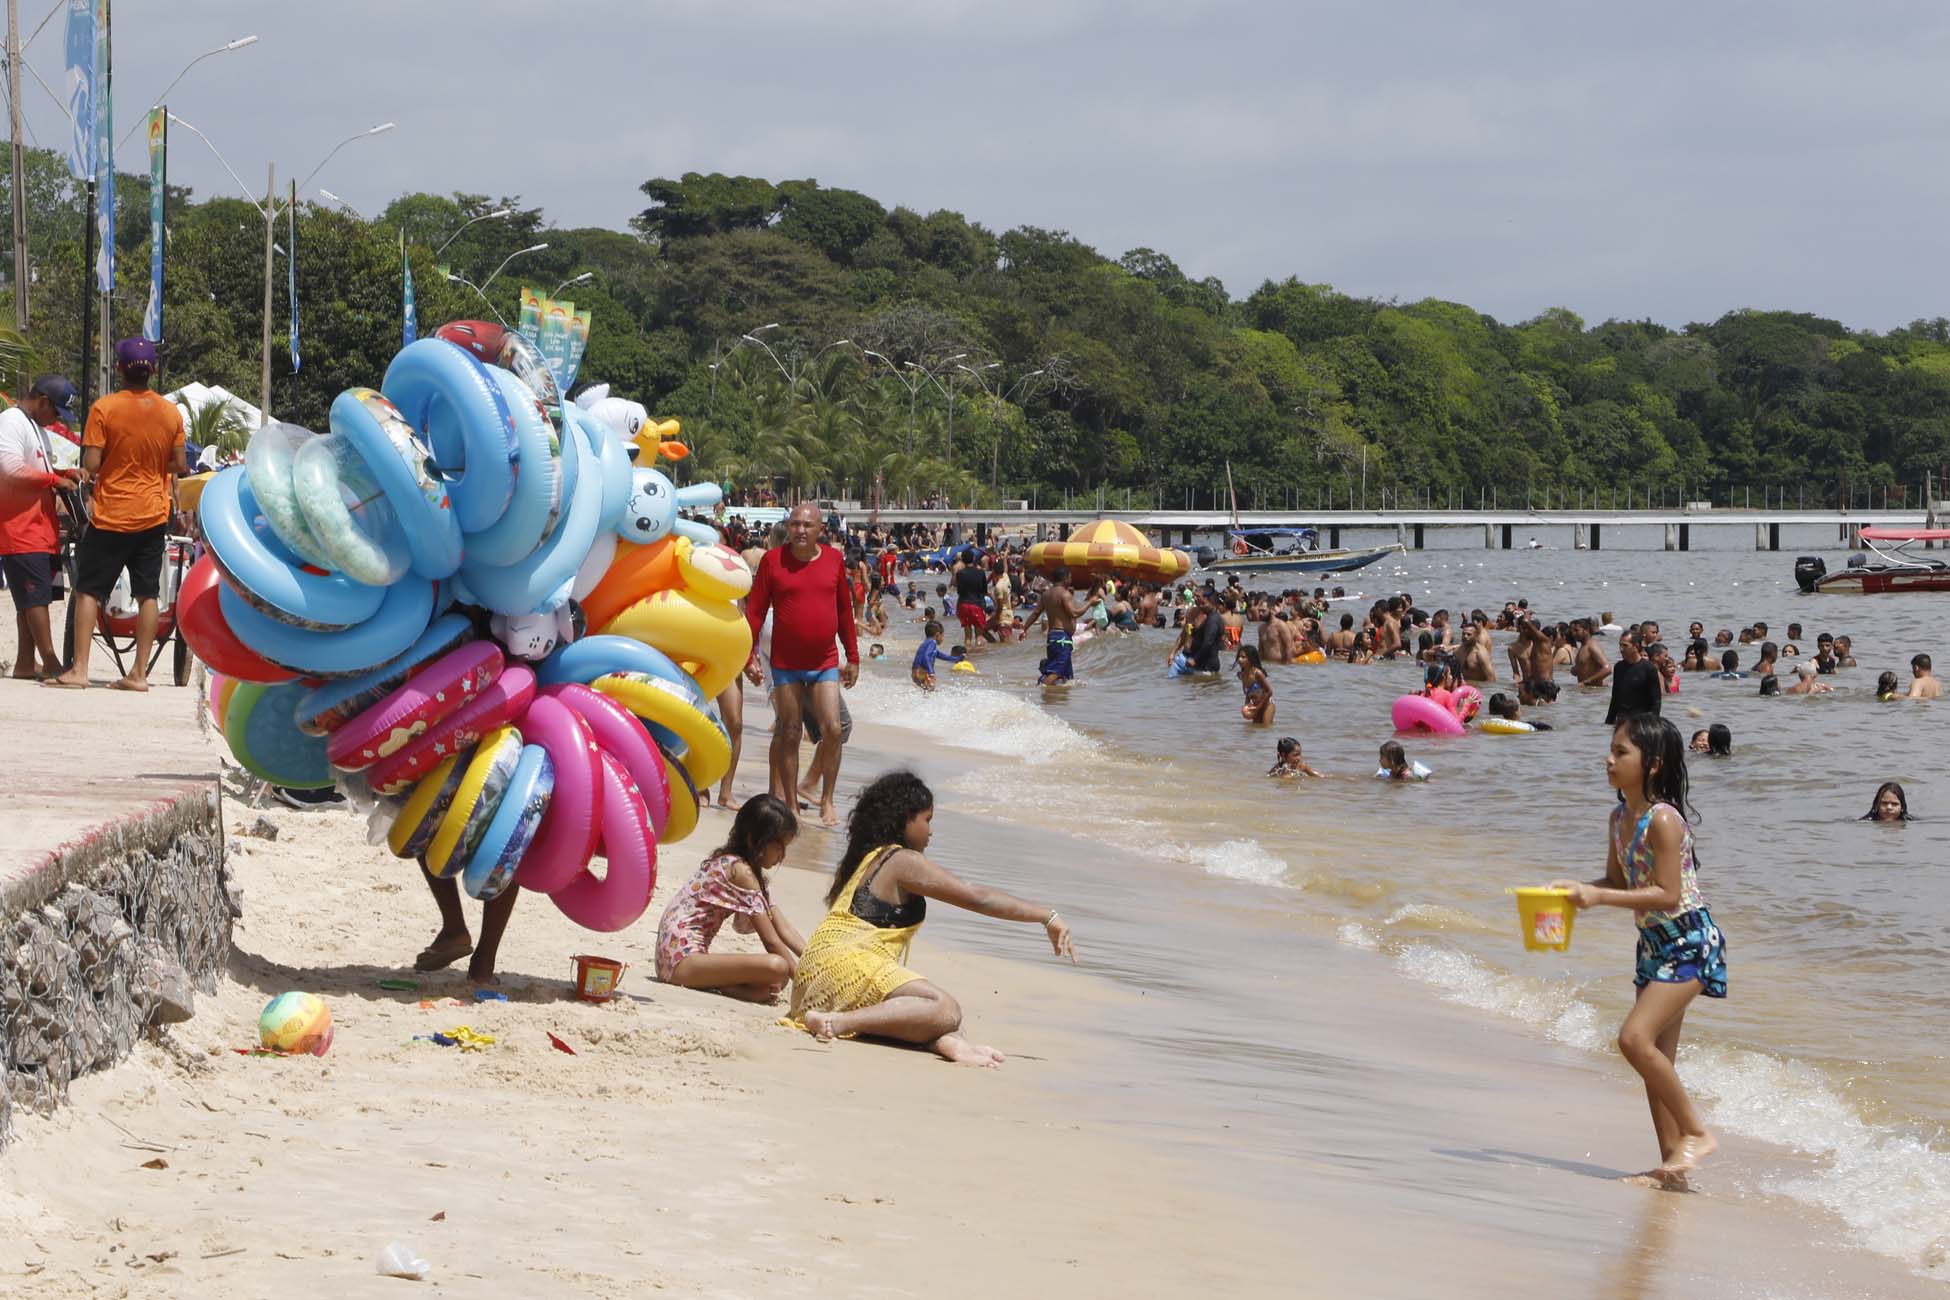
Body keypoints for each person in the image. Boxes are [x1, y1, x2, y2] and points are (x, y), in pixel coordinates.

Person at [788, 771, 1076, 1067]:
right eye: (927, 819)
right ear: (905, 818)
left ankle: (949, 1042)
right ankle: (836, 1022)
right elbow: (976, 897)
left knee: (925, 1016)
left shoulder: (867, 857)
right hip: (845, 965)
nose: (931, 832)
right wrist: (1046, 916)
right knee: (945, 1008)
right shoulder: (901, 860)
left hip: (813, 976)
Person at [1550, 714, 1725, 1188]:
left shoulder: (1664, 820)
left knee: (1633, 1040)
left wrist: (1601, 898)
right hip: (1653, 945)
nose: (1609, 758)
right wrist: (1574, 891)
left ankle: (1697, 1132)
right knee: (1655, 1063)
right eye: (1611, 749)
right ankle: (1673, 1170)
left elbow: (1668, 894)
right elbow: (1619, 882)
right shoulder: (1618, 818)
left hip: (1689, 939)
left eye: (1621, 751)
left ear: (1652, 765)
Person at [48, 340, 187, 691]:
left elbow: (92, 465)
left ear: (121, 369)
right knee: (148, 595)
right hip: (153, 515)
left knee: (89, 591)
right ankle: (139, 675)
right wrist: (152, 464)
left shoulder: (104, 409)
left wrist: (115, 460)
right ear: (152, 370)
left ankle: (79, 670)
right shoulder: (171, 413)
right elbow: (180, 464)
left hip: (111, 515)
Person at [744, 502, 859, 828]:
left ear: (820, 529)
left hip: (824, 661)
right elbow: (755, 611)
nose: (799, 530)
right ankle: (791, 804)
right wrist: (747, 654)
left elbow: (844, 612)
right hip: (785, 663)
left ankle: (826, 800)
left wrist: (853, 656)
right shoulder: (773, 561)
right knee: (790, 731)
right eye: (794, 524)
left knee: (834, 729)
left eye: (807, 525)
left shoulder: (834, 560)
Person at [655, 795, 807, 1002]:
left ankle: (724, 986)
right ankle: (724, 987)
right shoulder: (740, 872)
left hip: (673, 958)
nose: (783, 856)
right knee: (778, 967)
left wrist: (815, 965)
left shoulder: (740, 867)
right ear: (754, 840)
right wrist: (804, 983)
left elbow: (784, 929)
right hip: (681, 961)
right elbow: (771, 941)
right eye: (779, 847)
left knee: (777, 979)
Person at [0, 376, 82, 680]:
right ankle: (49, 660)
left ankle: (25, 661)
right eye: (56, 413)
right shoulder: (11, 422)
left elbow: (38, 469)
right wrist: (53, 480)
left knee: (31, 599)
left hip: (39, 528)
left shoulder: (36, 428)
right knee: (36, 598)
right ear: (43, 401)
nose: (56, 419)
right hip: (20, 529)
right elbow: (10, 469)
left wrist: (66, 473)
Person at [1021, 565, 1090, 686]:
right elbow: (1074, 613)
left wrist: (1025, 629)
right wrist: (1090, 602)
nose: (1071, 580)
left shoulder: (1046, 594)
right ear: (1065, 579)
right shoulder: (1065, 594)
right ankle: (1041, 688)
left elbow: (1036, 613)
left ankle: (1059, 702)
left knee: (1067, 678)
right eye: (1070, 577)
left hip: (1052, 637)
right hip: (1062, 639)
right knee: (1057, 672)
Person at [1604, 631, 1661, 724]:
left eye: (1625, 645)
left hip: (1642, 721)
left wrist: (1653, 724)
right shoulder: (1618, 667)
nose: (1621, 649)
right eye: (1620, 645)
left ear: (1636, 646)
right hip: (1622, 720)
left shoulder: (1649, 668)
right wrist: (1608, 722)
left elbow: (1656, 701)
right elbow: (1615, 698)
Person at [951, 548, 988, 651]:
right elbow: (984, 591)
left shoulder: (960, 574)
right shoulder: (980, 573)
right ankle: (978, 656)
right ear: (974, 558)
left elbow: (959, 591)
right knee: (979, 636)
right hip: (976, 604)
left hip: (963, 604)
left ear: (962, 560)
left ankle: (967, 655)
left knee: (967, 637)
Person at [1236, 644, 1274, 725]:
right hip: (1255, 707)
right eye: (1239, 657)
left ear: (1251, 659)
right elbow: (1248, 693)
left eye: (1243, 657)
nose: (1239, 659)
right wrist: (1246, 705)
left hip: (1267, 706)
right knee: (1255, 731)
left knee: (1265, 730)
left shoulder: (1257, 673)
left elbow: (1269, 691)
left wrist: (1258, 707)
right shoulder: (1241, 675)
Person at [911, 619, 944, 690]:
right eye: (943, 635)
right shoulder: (933, 642)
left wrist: (954, 659)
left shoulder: (925, 643)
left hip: (915, 672)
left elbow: (941, 655)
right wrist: (931, 672)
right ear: (938, 635)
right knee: (931, 689)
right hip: (923, 672)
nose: (943, 638)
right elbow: (926, 655)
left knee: (926, 691)